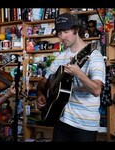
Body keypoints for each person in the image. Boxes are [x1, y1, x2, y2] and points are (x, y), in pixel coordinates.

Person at [36, 13, 106, 142]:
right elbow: (44, 81)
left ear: (76, 30)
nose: (62, 37)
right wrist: (41, 93)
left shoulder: (94, 56)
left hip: (85, 125)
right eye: (59, 33)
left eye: (65, 32)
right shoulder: (60, 57)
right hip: (61, 120)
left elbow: (97, 90)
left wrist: (79, 74)